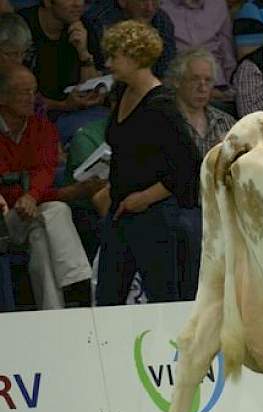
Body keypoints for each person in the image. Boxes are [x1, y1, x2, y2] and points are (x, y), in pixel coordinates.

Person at [95, 19, 197, 306]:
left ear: (137, 56)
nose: (109, 62)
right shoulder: (121, 93)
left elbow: (188, 165)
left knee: (163, 298)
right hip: (121, 212)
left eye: (115, 56)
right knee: (107, 299)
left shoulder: (161, 105)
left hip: (156, 216)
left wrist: (144, 198)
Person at [0, 63, 92, 309]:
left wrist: (31, 196)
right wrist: (38, 196)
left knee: (42, 234)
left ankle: (53, 313)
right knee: (56, 209)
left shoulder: (43, 128)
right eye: (23, 92)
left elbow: (44, 171)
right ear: (2, 96)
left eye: (33, 91)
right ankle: (80, 284)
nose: (30, 98)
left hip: (33, 216)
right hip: (5, 221)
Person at [167, 48, 236, 300]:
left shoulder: (226, 122)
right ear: (178, 81)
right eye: (195, 79)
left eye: (207, 81)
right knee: (193, 228)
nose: (202, 87)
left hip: (222, 205)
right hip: (182, 204)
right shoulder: (167, 121)